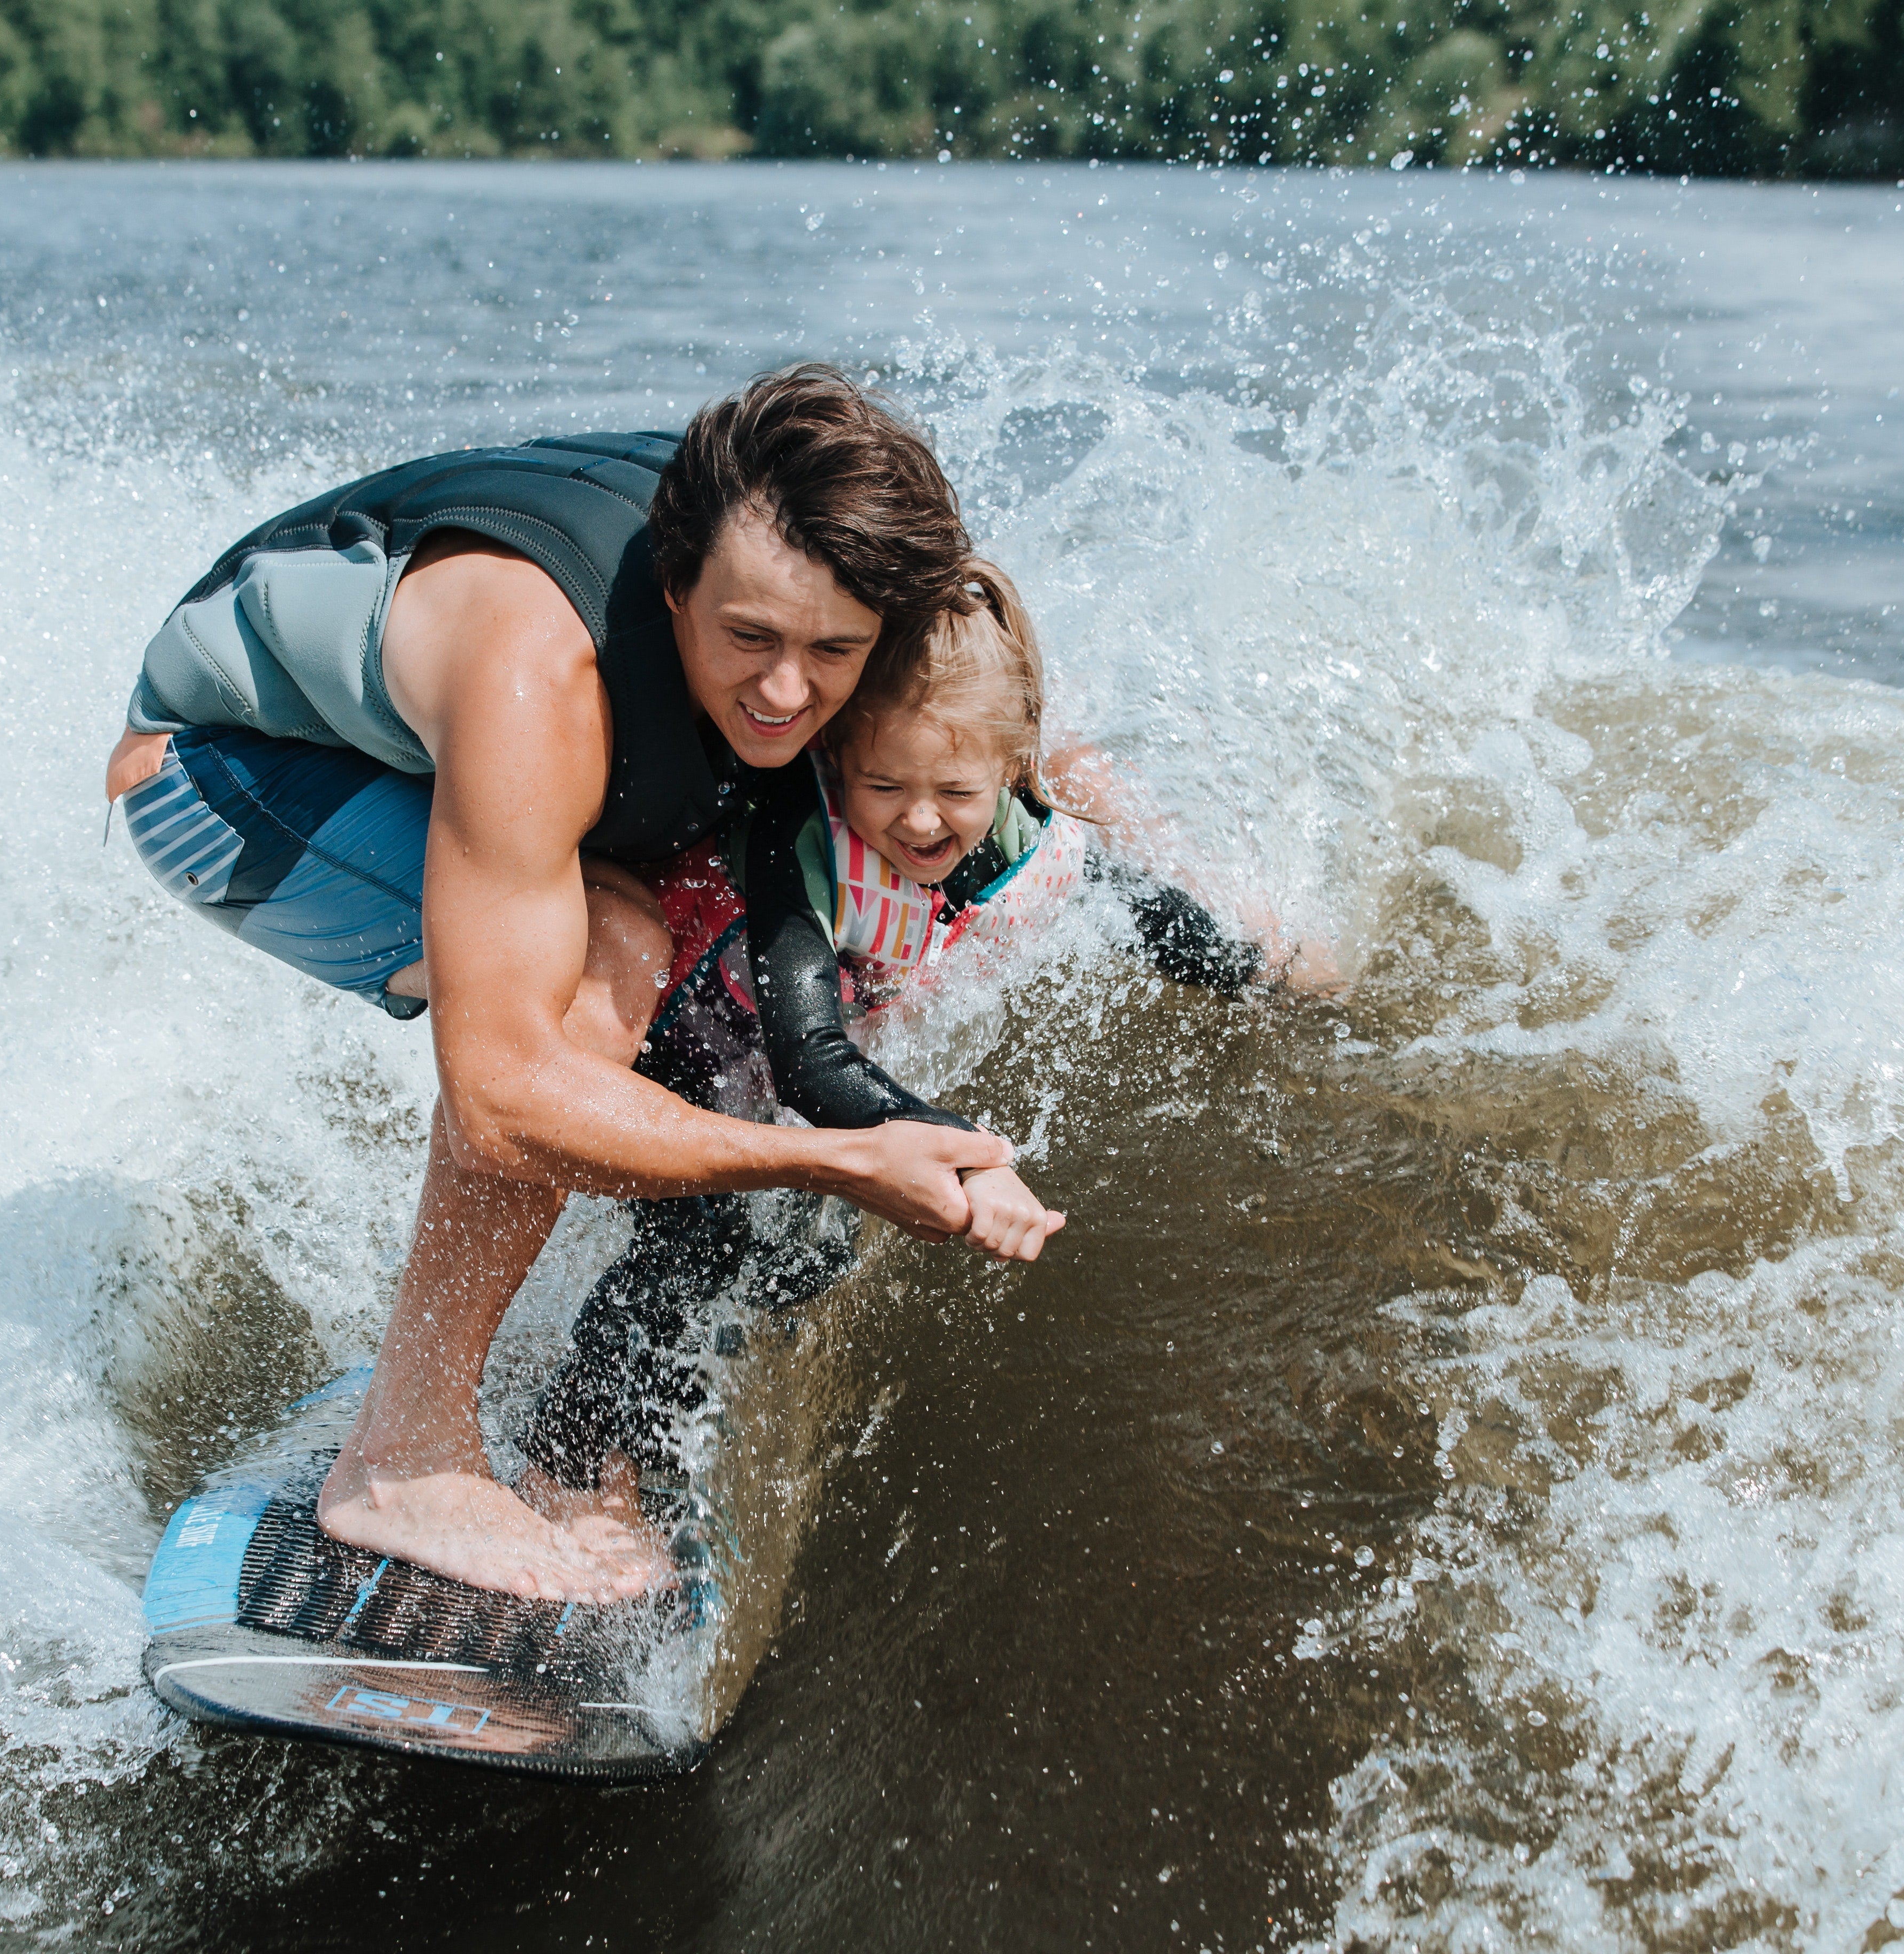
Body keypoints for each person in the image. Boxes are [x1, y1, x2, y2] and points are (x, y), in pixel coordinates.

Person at [104, 367, 1039, 1606]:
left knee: (731, 1010)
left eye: (832, 655)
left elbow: (999, 725)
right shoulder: (540, 673)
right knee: (620, 957)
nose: (783, 693)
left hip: (468, 765)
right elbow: (502, 1095)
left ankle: (580, 1426)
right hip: (224, 776)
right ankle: (404, 1456)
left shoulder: (834, 573)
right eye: (747, 639)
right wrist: (837, 1163)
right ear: (675, 584)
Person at [518, 559, 1339, 1501]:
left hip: (754, 1052)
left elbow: (1143, 909)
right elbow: (805, 1058)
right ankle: (575, 1466)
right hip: (670, 1041)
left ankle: (657, 1412)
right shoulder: (803, 833)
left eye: (954, 789)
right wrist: (971, 1154)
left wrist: (1261, 973)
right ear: (834, 758)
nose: (917, 818)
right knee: (701, 1233)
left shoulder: (1026, 842)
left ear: (1012, 768)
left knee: (805, 1254)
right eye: (883, 785)